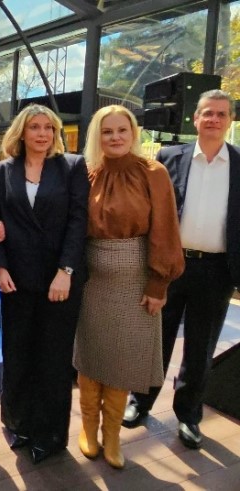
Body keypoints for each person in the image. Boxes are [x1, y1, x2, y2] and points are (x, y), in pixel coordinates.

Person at [123, 89, 240, 450]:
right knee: (155, 339)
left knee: (201, 348)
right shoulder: (168, 157)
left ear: (230, 120)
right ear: (195, 118)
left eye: (221, 114)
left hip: (218, 271)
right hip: (170, 265)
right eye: (208, 113)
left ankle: (189, 415)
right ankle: (140, 402)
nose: (214, 119)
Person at [74, 105, 184, 469]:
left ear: (134, 133)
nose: (115, 137)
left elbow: (166, 228)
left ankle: (112, 436)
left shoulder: (153, 172)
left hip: (136, 281)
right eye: (107, 131)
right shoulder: (87, 173)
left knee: (121, 358)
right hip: (92, 282)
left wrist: (158, 284)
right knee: (91, 354)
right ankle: (88, 428)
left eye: (122, 130)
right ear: (98, 136)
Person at [0, 103, 89, 464]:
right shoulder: (1, 171)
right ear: (22, 132)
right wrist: (0, 268)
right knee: (17, 353)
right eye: (35, 127)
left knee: (53, 358)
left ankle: (50, 434)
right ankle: (17, 422)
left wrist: (66, 270)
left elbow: (79, 221)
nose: (43, 133)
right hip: (16, 279)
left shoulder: (72, 167)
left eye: (49, 127)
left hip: (58, 279)